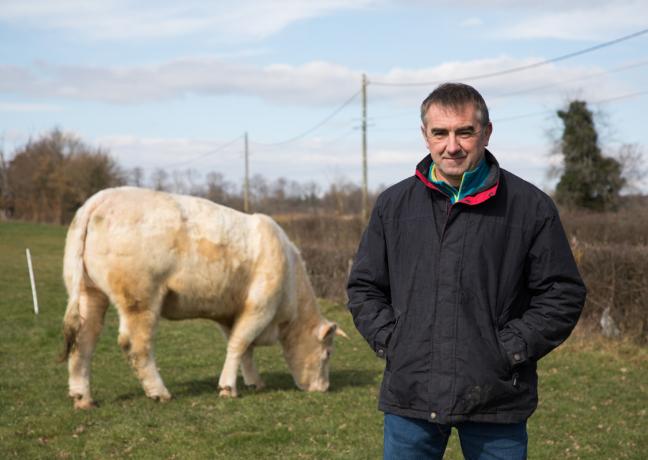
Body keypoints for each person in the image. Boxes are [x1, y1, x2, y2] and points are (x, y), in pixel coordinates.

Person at [347, 82, 586, 459]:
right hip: (411, 392)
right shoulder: (393, 206)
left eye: (465, 132)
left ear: (486, 133)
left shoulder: (529, 207)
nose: (452, 146)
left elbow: (562, 293)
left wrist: (508, 349)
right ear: (425, 135)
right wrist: (394, 341)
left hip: (497, 395)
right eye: (440, 133)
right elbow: (364, 286)